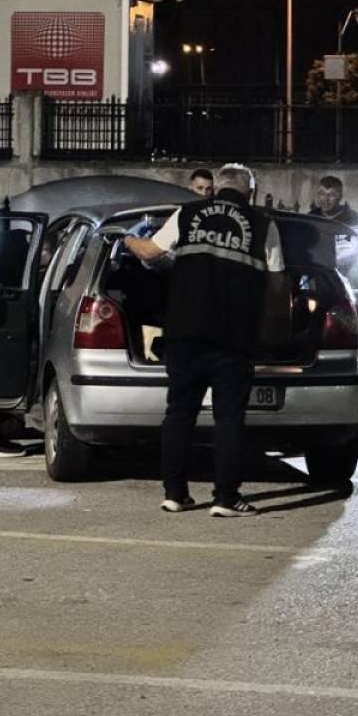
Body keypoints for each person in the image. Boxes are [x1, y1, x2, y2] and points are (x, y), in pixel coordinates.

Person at [124, 163, 286, 517]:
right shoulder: (263, 223)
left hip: (186, 332)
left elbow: (149, 253)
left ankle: (175, 494)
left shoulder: (187, 213)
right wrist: (272, 332)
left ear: (216, 187)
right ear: (251, 192)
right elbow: (277, 286)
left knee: (180, 413)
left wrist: (129, 239)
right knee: (229, 418)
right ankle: (226, 498)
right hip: (234, 337)